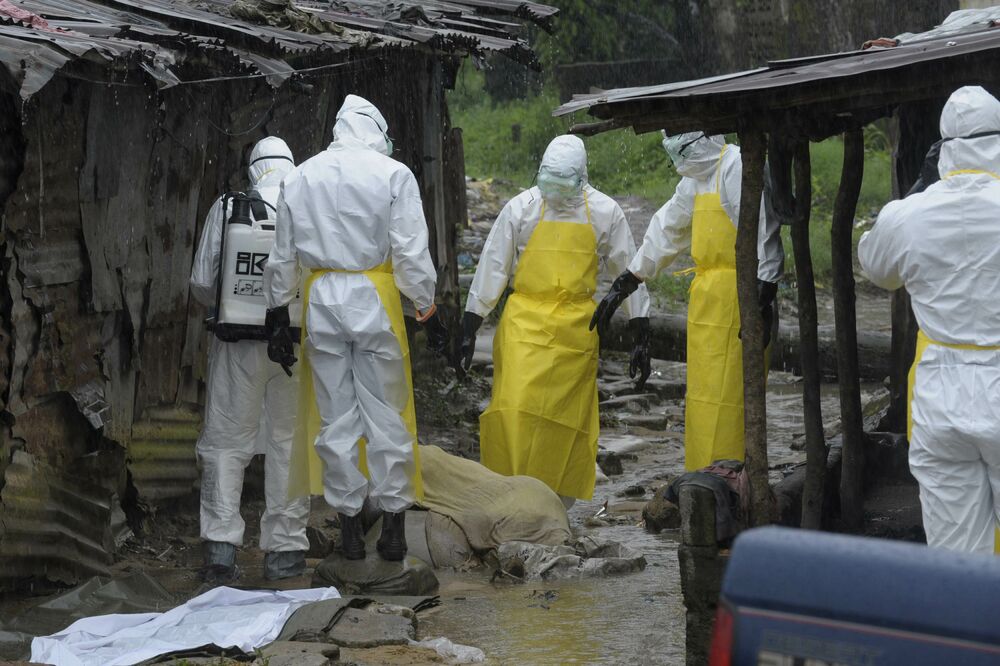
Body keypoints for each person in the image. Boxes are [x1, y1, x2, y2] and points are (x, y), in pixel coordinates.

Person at [264, 94, 449, 562]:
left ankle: (348, 529)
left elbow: (283, 254)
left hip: (321, 299)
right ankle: (392, 529)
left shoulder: (299, 175)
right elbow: (409, 251)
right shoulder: (393, 174)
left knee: (336, 417)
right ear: (376, 131)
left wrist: (277, 312)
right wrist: (427, 306)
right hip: (374, 298)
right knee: (387, 413)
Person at [459, 135, 651, 508]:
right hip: (524, 324)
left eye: (566, 184)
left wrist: (640, 325)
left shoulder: (606, 211)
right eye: (551, 183)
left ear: (582, 177)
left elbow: (629, 269)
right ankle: (511, 499)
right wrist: (470, 323)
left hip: (576, 329)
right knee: (514, 411)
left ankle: (555, 508)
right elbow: (493, 267)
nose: (557, 192)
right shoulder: (521, 208)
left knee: (564, 423)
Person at [859, 85, 1000, 555]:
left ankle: (968, 629)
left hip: (940, 401)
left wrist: (916, 192)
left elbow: (874, 264)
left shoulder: (910, 216)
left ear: (941, 150)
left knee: (958, 560)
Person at [592, 132, 783, 472]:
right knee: (703, 399)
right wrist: (630, 278)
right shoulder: (696, 179)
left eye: (682, 151)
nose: (679, 161)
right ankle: (702, 476)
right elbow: (668, 226)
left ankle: (737, 478)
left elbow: (762, 229)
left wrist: (764, 293)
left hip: (742, 294)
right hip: (706, 301)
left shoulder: (736, 165)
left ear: (701, 139)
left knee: (734, 398)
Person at [190, 136, 309, 582]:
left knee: (226, 441)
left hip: (236, 344)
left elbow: (203, 281)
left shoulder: (228, 206)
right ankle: (285, 553)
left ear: (253, 169)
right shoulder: (309, 205)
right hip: (295, 344)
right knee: (288, 443)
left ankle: (221, 551)